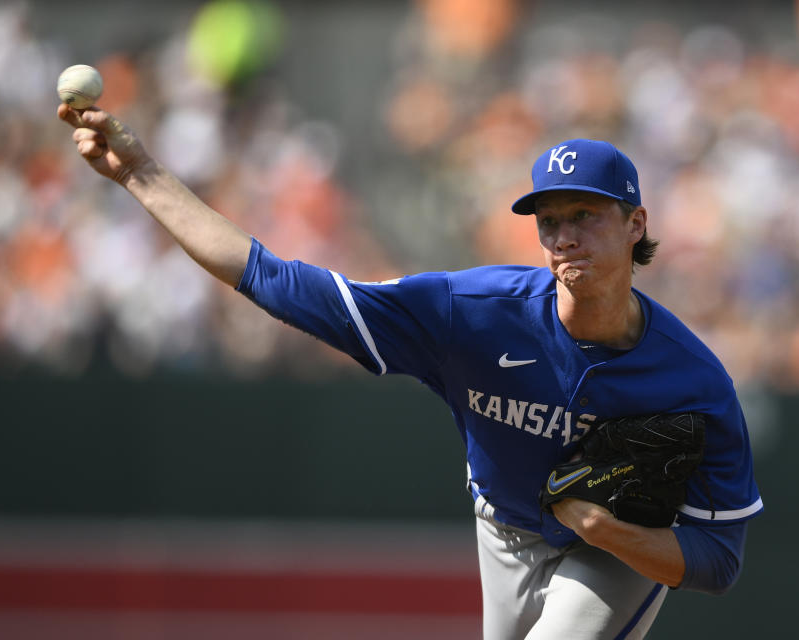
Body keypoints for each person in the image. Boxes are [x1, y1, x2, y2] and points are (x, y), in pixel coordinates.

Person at [59, 104, 763, 639]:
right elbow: (273, 280)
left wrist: (609, 532)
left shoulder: (694, 380)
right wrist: (139, 173)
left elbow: (718, 560)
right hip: (503, 530)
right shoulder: (472, 312)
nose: (565, 236)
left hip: (613, 552)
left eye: (586, 215)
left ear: (636, 224)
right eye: (549, 221)